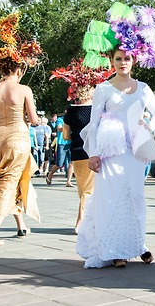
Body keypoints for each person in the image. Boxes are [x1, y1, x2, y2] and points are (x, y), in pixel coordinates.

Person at [76, 2, 155, 268]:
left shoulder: (143, 87)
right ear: (111, 61)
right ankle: (115, 249)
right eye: (118, 59)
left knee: (135, 197)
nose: (123, 63)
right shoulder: (103, 89)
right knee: (112, 197)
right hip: (110, 154)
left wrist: (147, 123)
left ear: (134, 59)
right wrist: (92, 153)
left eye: (127, 58)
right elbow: (93, 123)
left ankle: (138, 244)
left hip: (135, 152)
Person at [51, 58, 114, 233]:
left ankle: (88, 220)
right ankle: (80, 222)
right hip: (93, 152)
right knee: (89, 190)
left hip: (76, 153)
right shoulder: (98, 109)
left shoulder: (70, 111)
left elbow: (66, 136)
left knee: (83, 189)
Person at [0, 12, 44, 243]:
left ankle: (21, 225)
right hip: (17, 139)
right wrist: (37, 122)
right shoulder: (24, 89)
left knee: (13, 180)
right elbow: (34, 119)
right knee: (8, 182)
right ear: (19, 70)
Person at [45, 112, 74, 187]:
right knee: (59, 164)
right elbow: (60, 129)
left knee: (71, 163)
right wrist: (69, 125)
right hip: (62, 143)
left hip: (71, 142)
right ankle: (50, 174)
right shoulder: (60, 119)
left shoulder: (73, 118)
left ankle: (68, 181)